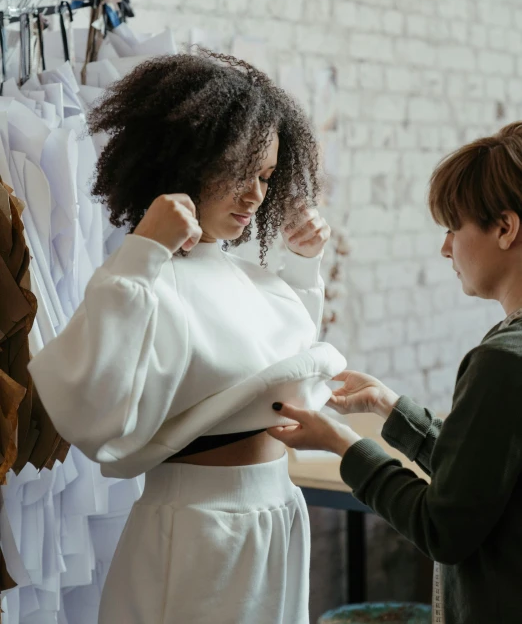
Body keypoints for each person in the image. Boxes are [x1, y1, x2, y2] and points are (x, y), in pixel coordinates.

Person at [28, 52, 347, 624]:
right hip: (202, 530)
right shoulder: (140, 281)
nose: (254, 196)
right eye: (239, 171)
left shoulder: (240, 275)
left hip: (276, 510)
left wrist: (302, 264)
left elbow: (280, 368)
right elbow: (89, 410)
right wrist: (144, 252)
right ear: (187, 161)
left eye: (267, 177)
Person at [268, 122, 522, 624]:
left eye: (453, 228)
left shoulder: (502, 361)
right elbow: (479, 480)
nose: (445, 249)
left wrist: (343, 445)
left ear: (505, 228)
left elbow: (443, 527)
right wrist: (391, 408)